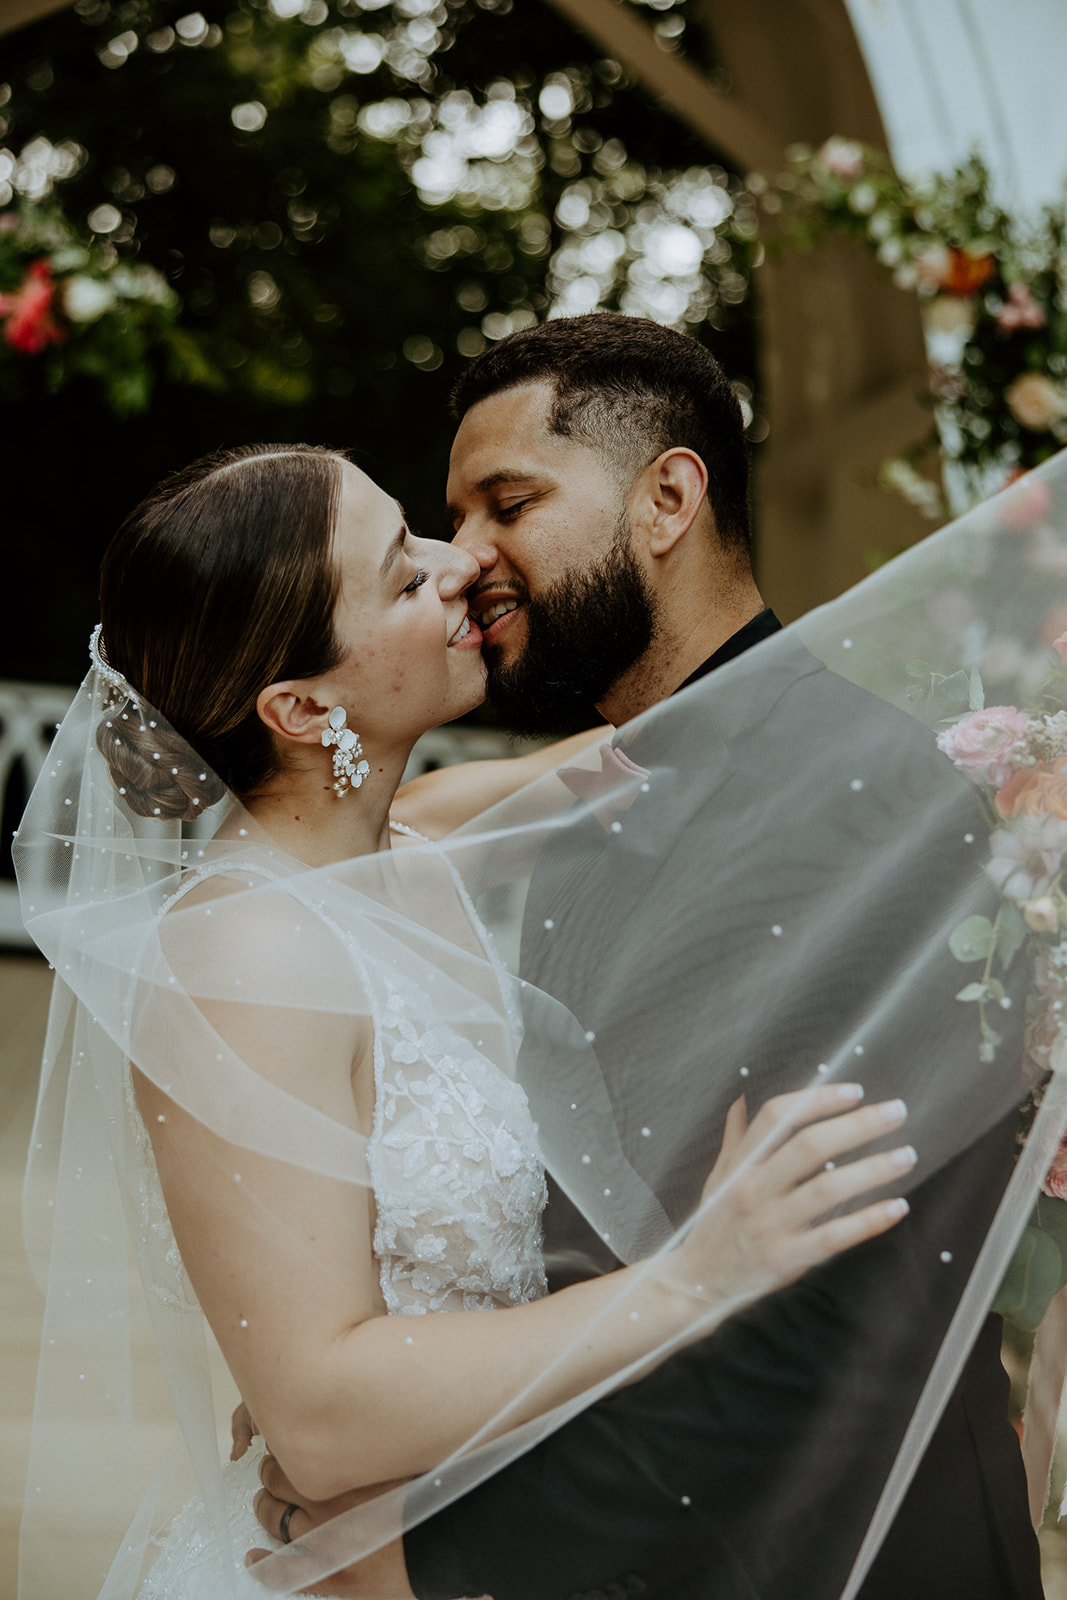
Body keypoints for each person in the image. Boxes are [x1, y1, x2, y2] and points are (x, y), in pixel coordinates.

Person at [13, 441, 919, 1600]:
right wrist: (697, 1276)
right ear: (297, 705)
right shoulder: (239, 957)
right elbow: (323, 1415)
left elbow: (684, 728)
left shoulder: (407, 857)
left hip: (494, 1526)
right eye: (401, 576)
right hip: (354, 1560)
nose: (460, 565)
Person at [252, 316, 1048, 1600]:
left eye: (508, 502)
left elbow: (824, 1322)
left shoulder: (852, 801)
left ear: (668, 498)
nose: (466, 559)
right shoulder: (594, 808)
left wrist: (436, 1559)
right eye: (456, 518)